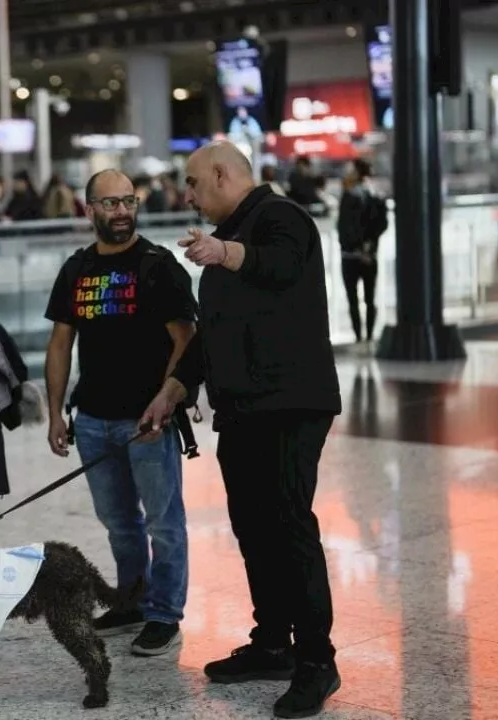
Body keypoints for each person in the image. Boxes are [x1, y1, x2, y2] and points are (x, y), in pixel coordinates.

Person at [178, 141, 342, 718]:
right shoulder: (232, 237)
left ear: (223, 174)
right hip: (244, 407)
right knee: (253, 526)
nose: (190, 195)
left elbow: (280, 266)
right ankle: (273, 641)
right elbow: (213, 329)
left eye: (195, 183)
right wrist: (178, 385)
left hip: (291, 402)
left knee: (290, 524)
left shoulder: (283, 219)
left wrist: (224, 252)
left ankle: (317, 662)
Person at [44, 169, 198, 656]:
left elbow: (186, 341)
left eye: (128, 201)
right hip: (91, 419)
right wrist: (53, 413)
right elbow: (60, 343)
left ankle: (164, 613)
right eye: (109, 203)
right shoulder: (77, 269)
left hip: (147, 421)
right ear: (88, 210)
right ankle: (132, 600)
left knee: (164, 523)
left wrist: (166, 401)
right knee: (119, 522)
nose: (121, 211)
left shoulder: (158, 265)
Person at [337, 159, 387, 343]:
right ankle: (367, 336)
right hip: (367, 254)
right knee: (369, 297)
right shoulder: (375, 196)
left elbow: (344, 227)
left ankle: (360, 336)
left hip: (351, 255)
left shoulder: (350, 197)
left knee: (355, 299)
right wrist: (368, 247)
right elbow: (381, 224)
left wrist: (359, 248)